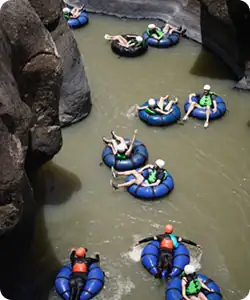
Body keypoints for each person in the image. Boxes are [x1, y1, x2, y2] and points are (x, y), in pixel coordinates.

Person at [135, 224, 201, 279]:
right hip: (169, 253)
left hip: (162, 252)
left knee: (159, 264)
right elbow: (186, 241)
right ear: (172, 231)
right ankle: (169, 275)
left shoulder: (160, 237)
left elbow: (149, 238)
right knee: (170, 265)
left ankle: (159, 271)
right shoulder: (175, 238)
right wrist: (196, 244)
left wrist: (139, 242)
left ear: (165, 230)